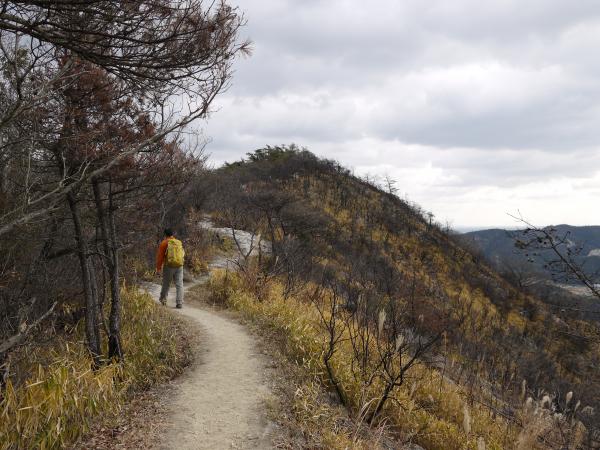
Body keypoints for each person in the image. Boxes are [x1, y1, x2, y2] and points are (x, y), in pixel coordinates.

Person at [156, 228, 185, 308]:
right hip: (179, 265)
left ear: (165, 234)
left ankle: (163, 300)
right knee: (179, 284)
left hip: (169, 266)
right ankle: (179, 302)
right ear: (172, 234)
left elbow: (160, 257)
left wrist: (158, 268)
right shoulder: (178, 242)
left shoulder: (164, 243)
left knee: (166, 283)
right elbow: (182, 253)